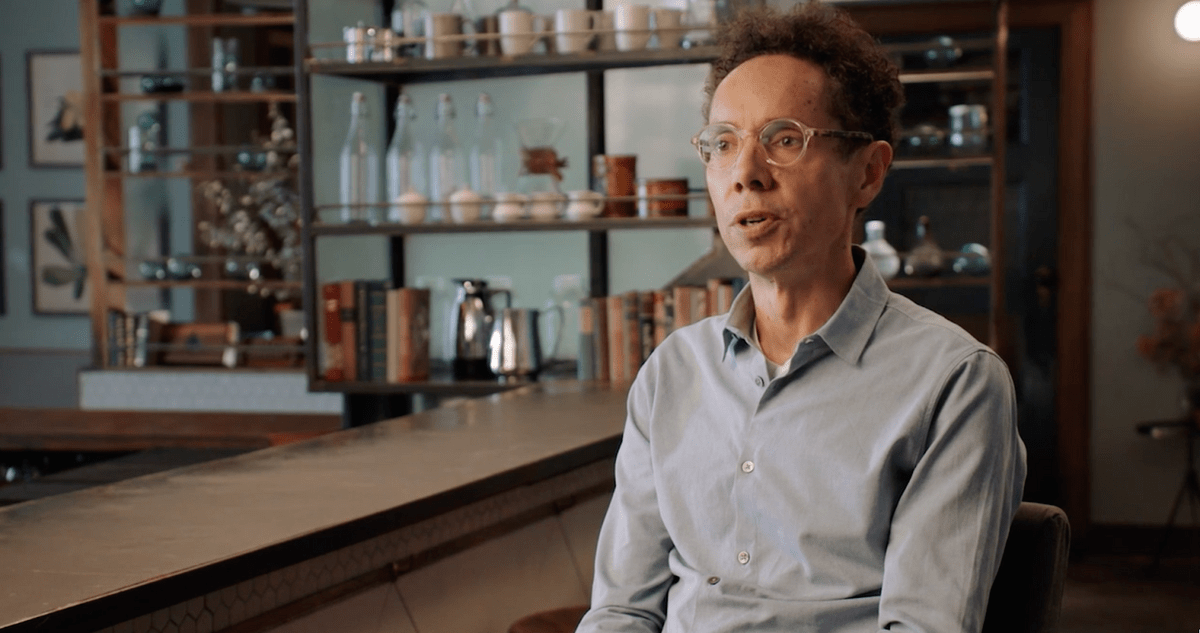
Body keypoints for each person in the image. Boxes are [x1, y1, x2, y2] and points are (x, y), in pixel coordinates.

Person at [575, 3, 1026, 632]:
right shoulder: (672, 372)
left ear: (867, 173)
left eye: (784, 139)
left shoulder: (954, 383)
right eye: (722, 144)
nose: (746, 176)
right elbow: (622, 609)